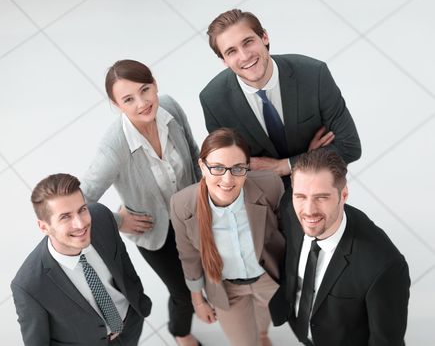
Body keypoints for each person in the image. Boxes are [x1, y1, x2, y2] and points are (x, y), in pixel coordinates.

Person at [80, 59, 201, 346]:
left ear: (155, 85)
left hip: (192, 215)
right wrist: (118, 220)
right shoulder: (114, 146)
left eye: (145, 90)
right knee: (182, 293)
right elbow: (81, 201)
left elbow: (194, 151)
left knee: (203, 272)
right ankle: (181, 332)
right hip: (155, 231)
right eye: (128, 99)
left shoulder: (169, 107)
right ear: (115, 104)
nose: (142, 103)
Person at [200, 9, 361, 184]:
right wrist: (311, 155)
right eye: (231, 51)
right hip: (262, 194)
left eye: (248, 42)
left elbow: (349, 146)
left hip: (316, 182)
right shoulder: (213, 100)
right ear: (224, 60)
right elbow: (230, 171)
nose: (245, 56)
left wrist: (287, 165)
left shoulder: (314, 75)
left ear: (264, 37)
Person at [269, 149, 410, 345]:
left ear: (343, 195)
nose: (308, 211)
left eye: (321, 197)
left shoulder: (384, 267)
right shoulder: (290, 208)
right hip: (302, 327)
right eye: (301, 196)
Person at [170, 128, 285, 346]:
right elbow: (189, 256)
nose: (227, 179)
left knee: (264, 322)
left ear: (247, 167)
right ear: (202, 166)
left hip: (268, 277)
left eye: (237, 168)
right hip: (227, 289)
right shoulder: (182, 204)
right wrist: (198, 300)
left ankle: (262, 335)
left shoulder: (270, 185)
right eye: (218, 168)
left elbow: (286, 233)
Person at [11, 173, 152, 346]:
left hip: (130, 321)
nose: (80, 224)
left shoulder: (101, 218)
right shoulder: (29, 286)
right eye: (65, 217)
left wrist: (137, 301)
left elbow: (123, 264)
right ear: (44, 227)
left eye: (82, 209)